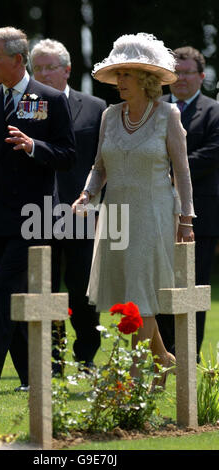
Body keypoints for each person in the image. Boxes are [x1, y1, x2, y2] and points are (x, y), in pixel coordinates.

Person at [72, 33, 195, 385]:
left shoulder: (168, 115)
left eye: (126, 75)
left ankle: (132, 373)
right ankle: (165, 359)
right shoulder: (110, 116)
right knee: (129, 294)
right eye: (118, 75)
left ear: (144, 79)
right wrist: (87, 194)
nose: (119, 82)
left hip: (154, 212)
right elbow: (99, 166)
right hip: (116, 216)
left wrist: (186, 219)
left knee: (141, 292)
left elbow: (182, 170)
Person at [0, 27, 76, 392]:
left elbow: (68, 156)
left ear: (17, 59)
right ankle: (31, 379)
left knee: (5, 288)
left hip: (36, 218)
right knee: (10, 295)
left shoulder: (50, 100)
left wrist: (33, 147)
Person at [30, 39, 107, 373]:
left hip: (82, 211)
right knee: (44, 289)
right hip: (35, 212)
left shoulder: (95, 106)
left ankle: (87, 355)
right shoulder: (26, 106)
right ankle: (53, 360)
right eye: (38, 68)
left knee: (82, 290)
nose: (44, 74)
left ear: (67, 69)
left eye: (50, 67)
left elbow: (102, 161)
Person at [157, 46, 219, 359]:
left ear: (201, 76)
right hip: (156, 211)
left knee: (193, 284)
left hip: (200, 214)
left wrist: (168, 171)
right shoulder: (154, 107)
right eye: (175, 72)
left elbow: (212, 152)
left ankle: (188, 351)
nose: (180, 78)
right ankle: (166, 350)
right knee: (161, 283)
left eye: (187, 72)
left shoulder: (214, 111)